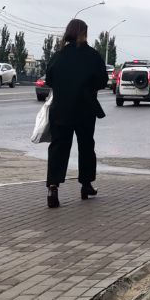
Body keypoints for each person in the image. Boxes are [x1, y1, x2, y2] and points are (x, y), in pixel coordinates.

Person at [43, 18, 108, 207]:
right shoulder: (93, 55)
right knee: (86, 146)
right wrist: (88, 88)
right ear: (84, 33)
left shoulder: (58, 55)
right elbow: (103, 81)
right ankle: (86, 184)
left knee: (58, 148)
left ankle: (53, 187)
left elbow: (49, 79)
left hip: (61, 109)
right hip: (85, 109)